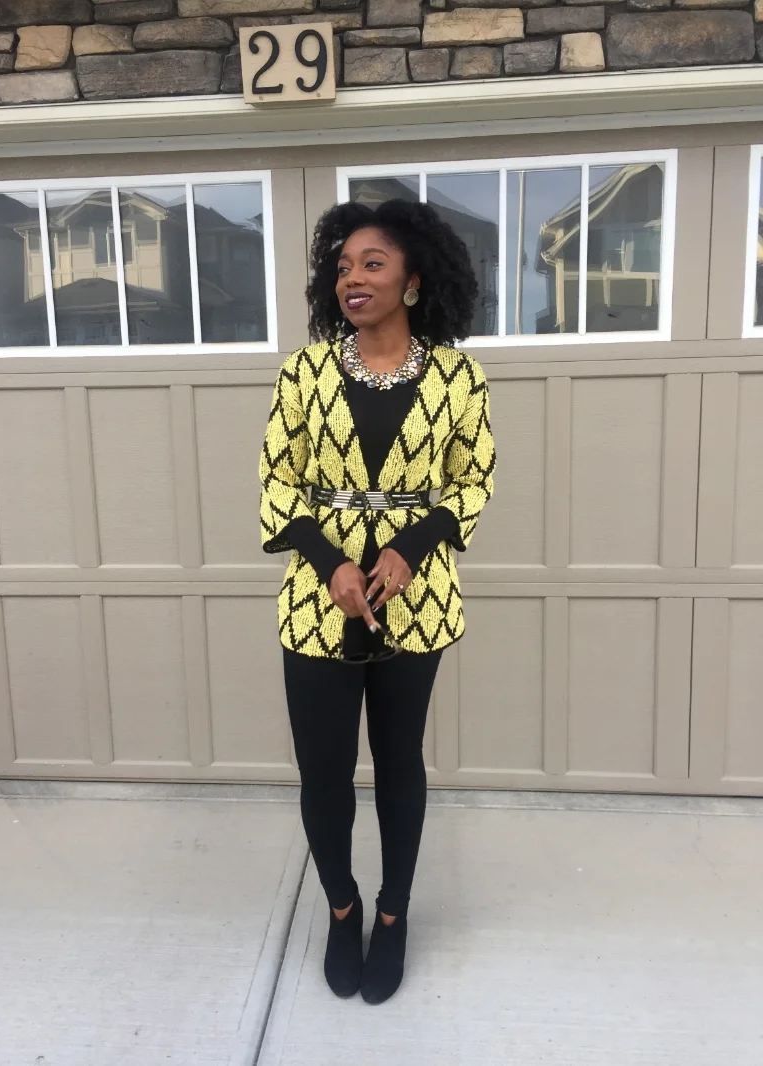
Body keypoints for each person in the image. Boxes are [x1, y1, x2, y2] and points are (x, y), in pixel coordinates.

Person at [259, 198, 496, 1004]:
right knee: (323, 770)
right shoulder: (304, 372)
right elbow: (277, 479)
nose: (351, 278)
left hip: (415, 597)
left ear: (414, 279)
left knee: (399, 762)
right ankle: (342, 907)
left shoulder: (459, 378)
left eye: (372, 263)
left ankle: (392, 915)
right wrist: (331, 561)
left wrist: (410, 547)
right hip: (317, 597)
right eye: (342, 266)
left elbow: (472, 480)